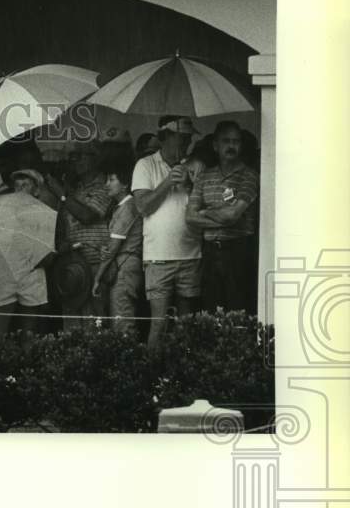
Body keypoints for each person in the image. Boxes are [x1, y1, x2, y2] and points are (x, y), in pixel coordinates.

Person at [131, 115, 202, 349]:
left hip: (191, 254)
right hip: (158, 257)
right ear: (165, 138)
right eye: (181, 137)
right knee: (158, 324)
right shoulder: (145, 165)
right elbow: (142, 207)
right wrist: (167, 182)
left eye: (189, 138)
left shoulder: (197, 166)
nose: (186, 143)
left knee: (187, 325)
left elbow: (206, 206)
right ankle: (153, 380)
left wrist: (190, 185)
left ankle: (184, 377)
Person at [185, 121, 259, 314]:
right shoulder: (204, 177)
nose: (231, 146)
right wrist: (221, 213)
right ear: (215, 145)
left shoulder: (249, 176)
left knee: (239, 309)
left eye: (236, 141)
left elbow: (233, 215)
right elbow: (190, 217)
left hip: (238, 251)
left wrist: (206, 211)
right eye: (226, 141)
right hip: (210, 251)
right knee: (210, 309)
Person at [0, 169, 51, 337]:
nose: (20, 189)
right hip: (5, 273)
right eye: (17, 186)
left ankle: (28, 362)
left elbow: (50, 249)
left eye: (26, 185)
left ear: (36, 191)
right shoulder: (1, 213)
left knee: (30, 332)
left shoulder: (45, 214)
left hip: (32, 275)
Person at [56, 141, 114, 330]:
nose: (75, 161)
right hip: (72, 263)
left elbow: (87, 216)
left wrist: (62, 195)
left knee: (94, 321)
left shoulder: (106, 185)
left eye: (80, 156)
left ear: (94, 159)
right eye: (72, 157)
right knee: (71, 322)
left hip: (95, 262)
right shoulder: (76, 188)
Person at [92, 164, 143, 334]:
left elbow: (113, 247)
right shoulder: (122, 207)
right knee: (120, 318)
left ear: (125, 184)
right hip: (123, 264)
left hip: (125, 266)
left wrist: (97, 278)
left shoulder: (128, 207)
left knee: (122, 321)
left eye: (112, 179)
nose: (107, 184)